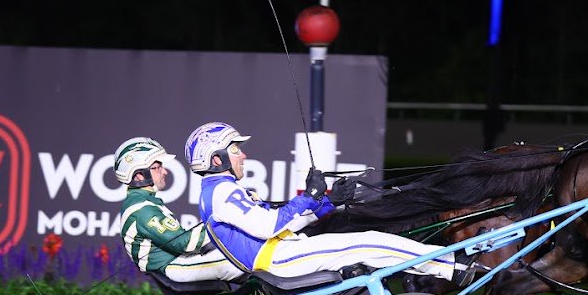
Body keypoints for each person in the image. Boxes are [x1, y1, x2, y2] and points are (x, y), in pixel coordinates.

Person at [185, 122, 474, 283]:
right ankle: (451, 266)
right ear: (217, 159)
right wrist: (308, 196)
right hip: (278, 259)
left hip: (282, 252)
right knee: (370, 242)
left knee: (370, 243)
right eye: (236, 150)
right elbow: (268, 226)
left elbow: (284, 223)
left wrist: (328, 201)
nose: (243, 155)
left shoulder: (222, 191)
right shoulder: (222, 193)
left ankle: (445, 264)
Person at [114, 136, 245, 286]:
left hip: (177, 264)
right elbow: (185, 244)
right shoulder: (142, 209)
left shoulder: (142, 203)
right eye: (157, 167)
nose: (164, 172)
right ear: (139, 174)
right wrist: (228, 217)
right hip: (174, 268)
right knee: (248, 258)